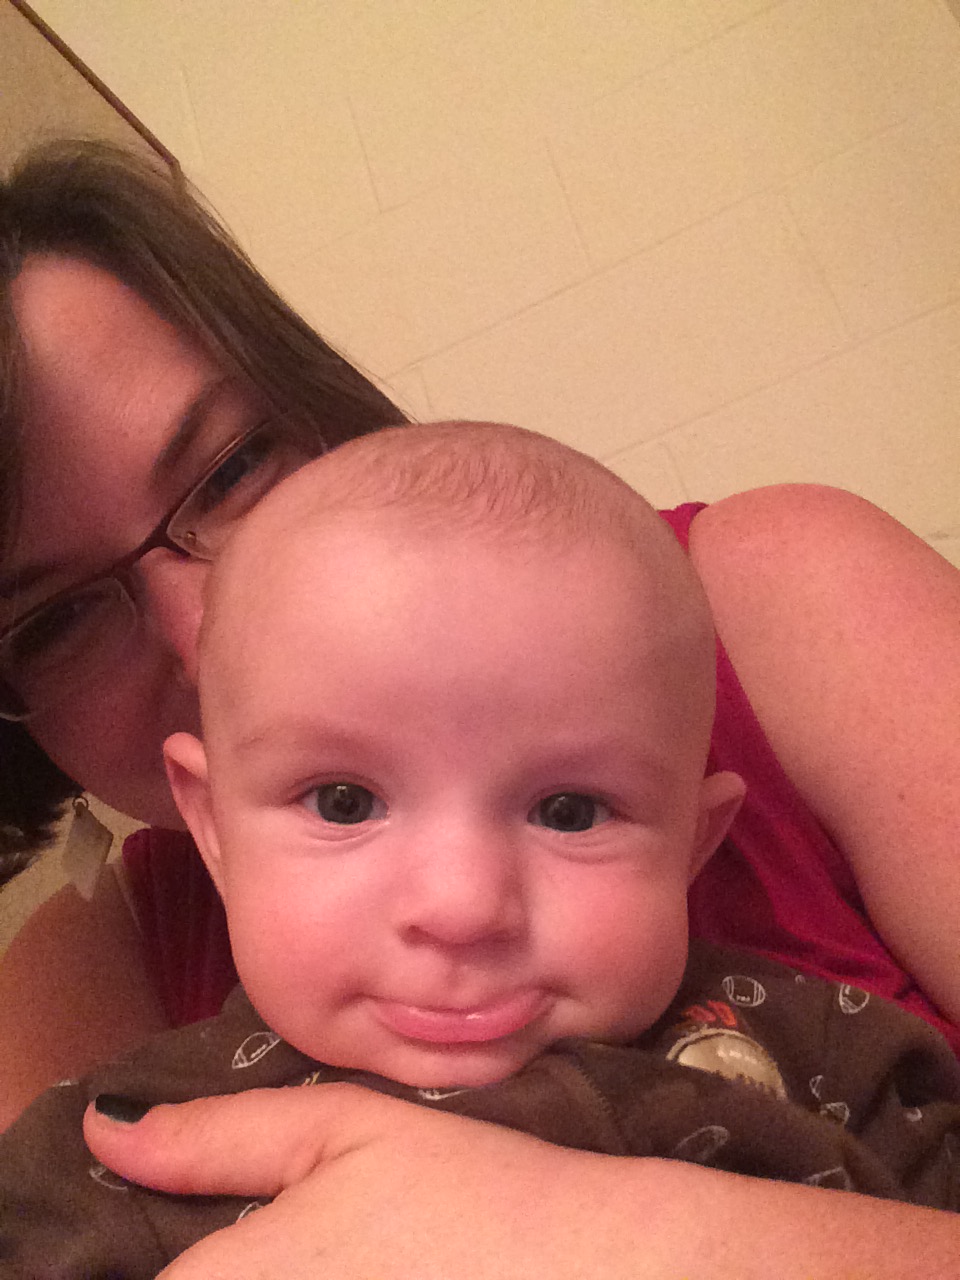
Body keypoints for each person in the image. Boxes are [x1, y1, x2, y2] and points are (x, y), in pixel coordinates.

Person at [1, 140, 960, 1277]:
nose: (198, 632)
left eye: (231, 470)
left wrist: (647, 1239)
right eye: (55, 619)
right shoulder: (94, 1053)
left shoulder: (810, 1035)